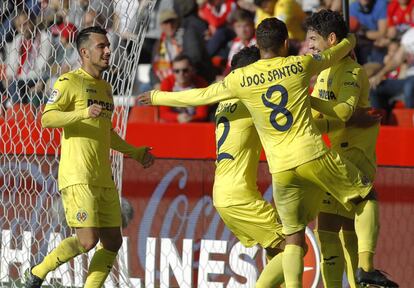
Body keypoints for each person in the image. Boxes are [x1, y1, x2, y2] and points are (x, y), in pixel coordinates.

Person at [137, 17, 398, 287]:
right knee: (365, 197)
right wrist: (351, 40)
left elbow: (200, 96)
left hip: (280, 170)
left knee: (295, 238)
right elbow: (333, 55)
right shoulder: (298, 66)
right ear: (285, 43)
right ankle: (366, 268)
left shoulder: (240, 80)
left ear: (258, 45)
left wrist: (157, 97)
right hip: (311, 155)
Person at [24, 26, 155, 288]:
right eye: (101, 46)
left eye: (108, 45)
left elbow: (107, 131)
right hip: (78, 174)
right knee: (87, 241)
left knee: (113, 241)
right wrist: (82, 113)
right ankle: (39, 271)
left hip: (103, 177)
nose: (108, 50)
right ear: (84, 52)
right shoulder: (69, 81)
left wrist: (134, 152)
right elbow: (47, 117)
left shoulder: (106, 88)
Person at [304, 10, 395, 288]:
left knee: (349, 222)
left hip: (355, 154)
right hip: (333, 156)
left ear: (332, 40)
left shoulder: (352, 72)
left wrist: (308, 102)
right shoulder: (324, 72)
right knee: (328, 227)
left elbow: (342, 112)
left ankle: (363, 275)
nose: (309, 46)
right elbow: (323, 123)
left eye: (313, 39)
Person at [215, 46, 285, 287]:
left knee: (274, 247)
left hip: (225, 192)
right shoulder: (250, 99)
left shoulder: (224, 102)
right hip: (239, 194)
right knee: (293, 246)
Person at [159, 54, 209, 123]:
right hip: (172, 124)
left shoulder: (201, 84)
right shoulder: (167, 83)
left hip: (194, 124)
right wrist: (178, 117)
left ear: (192, 70)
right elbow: (163, 113)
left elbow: (202, 114)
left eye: (185, 70)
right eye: (177, 71)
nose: (181, 74)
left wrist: (190, 119)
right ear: (173, 72)